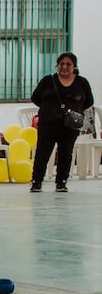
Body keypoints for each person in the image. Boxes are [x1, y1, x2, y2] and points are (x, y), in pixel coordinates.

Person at [29, 52, 94, 192]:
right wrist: (49, 109)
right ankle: (36, 182)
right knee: (42, 153)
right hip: (48, 123)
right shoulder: (48, 81)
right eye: (61, 64)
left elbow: (89, 100)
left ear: (74, 66)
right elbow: (35, 97)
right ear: (57, 65)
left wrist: (75, 111)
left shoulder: (81, 82)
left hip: (70, 125)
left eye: (68, 64)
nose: (64, 67)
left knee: (66, 153)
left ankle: (61, 183)